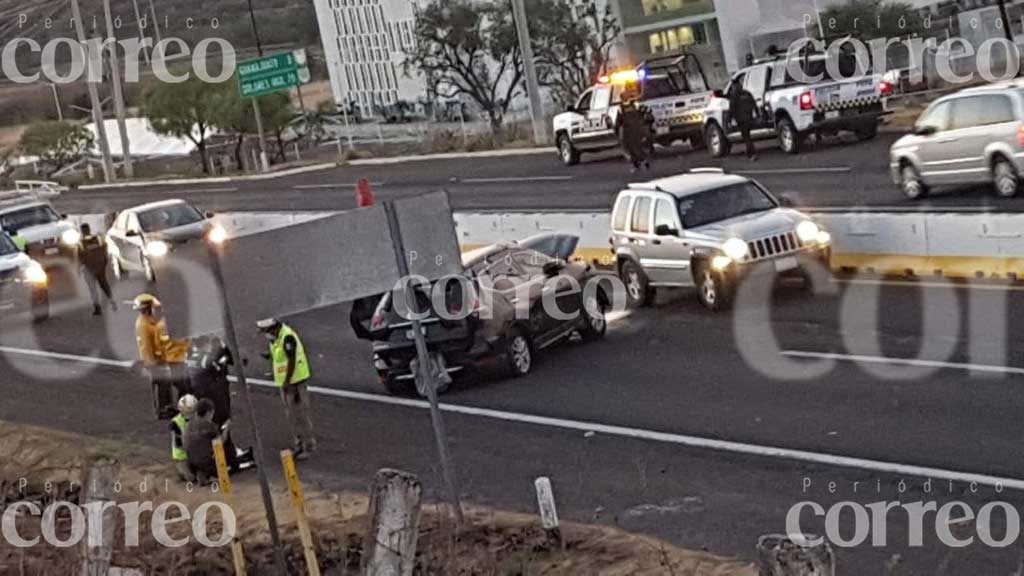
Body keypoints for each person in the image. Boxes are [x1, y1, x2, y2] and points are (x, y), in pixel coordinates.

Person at [186, 336, 255, 472]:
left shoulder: (190, 357)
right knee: (222, 426)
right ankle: (229, 459)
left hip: (201, 399)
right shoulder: (208, 359)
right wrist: (223, 348)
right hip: (216, 399)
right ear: (206, 344)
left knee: (208, 427)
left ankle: (223, 454)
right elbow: (234, 362)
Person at [258, 318, 316, 459]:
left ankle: (308, 446)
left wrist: (288, 382)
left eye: (266, 331)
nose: (266, 335)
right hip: (285, 383)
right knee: (291, 416)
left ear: (273, 328)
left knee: (300, 415)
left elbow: (291, 360)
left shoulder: (287, 337)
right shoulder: (276, 338)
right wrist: (270, 355)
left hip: (295, 382)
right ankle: (298, 444)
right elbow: (280, 355)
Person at [134, 294, 190, 419]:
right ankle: (162, 410)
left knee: (165, 384)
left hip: (159, 359)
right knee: (160, 384)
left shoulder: (148, 321)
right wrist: (153, 363)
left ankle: (167, 407)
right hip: (154, 361)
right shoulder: (144, 324)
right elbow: (147, 346)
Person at [76, 223, 117, 316]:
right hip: (100, 266)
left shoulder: (80, 243)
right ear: (89, 229)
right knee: (104, 285)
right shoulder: (98, 239)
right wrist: (104, 262)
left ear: (82, 231)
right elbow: (104, 249)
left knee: (93, 289)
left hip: (89, 269)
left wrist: (79, 269)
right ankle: (112, 302)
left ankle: (97, 308)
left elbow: (80, 257)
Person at [184, 398, 221, 485]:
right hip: (206, 462)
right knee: (229, 462)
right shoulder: (210, 425)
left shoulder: (188, 424)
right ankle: (209, 474)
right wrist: (226, 429)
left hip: (190, 462)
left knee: (200, 451)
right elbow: (219, 443)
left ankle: (198, 473)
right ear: (209, 412)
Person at [617, 93, 654, 173]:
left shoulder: (625, 107)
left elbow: (619, 121)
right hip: (633, 130)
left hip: (632, 130)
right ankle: (638, 163)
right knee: (634, 148)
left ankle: (641, 162)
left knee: (633, 147)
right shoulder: (629, 106)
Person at [728, 81, 759, 161]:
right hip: (749, 117)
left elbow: (731, 109)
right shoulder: (747, 93)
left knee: (746, 137)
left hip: (741, 120)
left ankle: (751, 154)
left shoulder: (734, 96)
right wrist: (757, 115)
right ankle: (752, 153)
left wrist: (729, 120)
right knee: (748, 136)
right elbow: (754, 104)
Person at [171, 394, 198, 482]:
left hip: (194, 454)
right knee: (191, 478)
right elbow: (178, 444)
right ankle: (182, 471)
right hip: (182, 456)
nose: (191, 414)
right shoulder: (175, 423)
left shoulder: (198, 420)